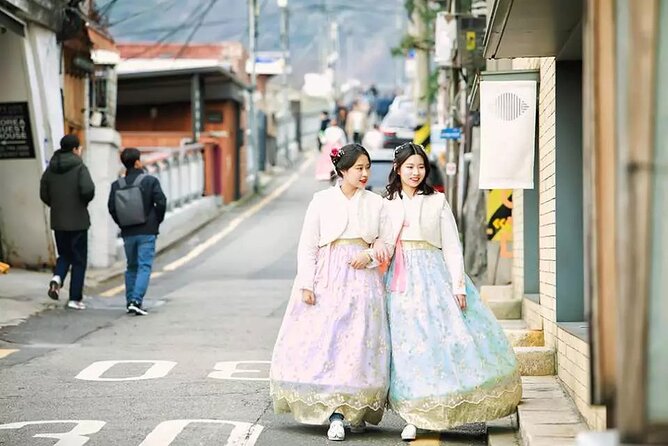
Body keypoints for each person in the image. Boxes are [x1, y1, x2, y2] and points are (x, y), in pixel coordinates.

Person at [376, 143, 522, 441]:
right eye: (409, 167)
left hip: (433, 277)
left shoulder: (437, 201)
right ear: (398, 169)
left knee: (439, 341)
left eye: (420, 167)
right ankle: (413, 414)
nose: (415, 173)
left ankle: (439, 406)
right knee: (406, 347)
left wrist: (457, 285)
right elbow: (382, 244)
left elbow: (452, 246)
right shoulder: (386, 203)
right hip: (399, 283)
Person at [271, 144, 390, 442]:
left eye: (367, 167)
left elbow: (387, 243)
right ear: (343, 170)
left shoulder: (377, 203)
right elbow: (308, 245)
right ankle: (336, 412)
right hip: (327, 277)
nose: (364, 173)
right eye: (358, 168)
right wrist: (306, 284)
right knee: (330, 342)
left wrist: (371, 255)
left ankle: (357, 408)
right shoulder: (321, 201)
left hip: (363, 281)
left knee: (360, 343)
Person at [108, 148, 167, 316]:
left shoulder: (116, 185)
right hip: (147, 230)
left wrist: (123, 224)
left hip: (128, 232)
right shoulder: (150, 181)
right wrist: (156, 220)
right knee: (144, 266)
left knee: (131, 267)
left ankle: (130, 302)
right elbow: (161, 202)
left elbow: (112, 208)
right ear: (137, 162)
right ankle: (136, 301)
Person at [40, 134, 95, 310]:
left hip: (58, 221)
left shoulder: (50, 168)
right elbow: (88, 190)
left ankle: (57, 278)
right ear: (75, 149)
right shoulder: (80, 167)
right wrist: (81, 203)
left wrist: (56, 205)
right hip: (78, 221)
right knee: (79, 260)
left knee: (64, 254)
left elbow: (44, 194)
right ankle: (74, 299)